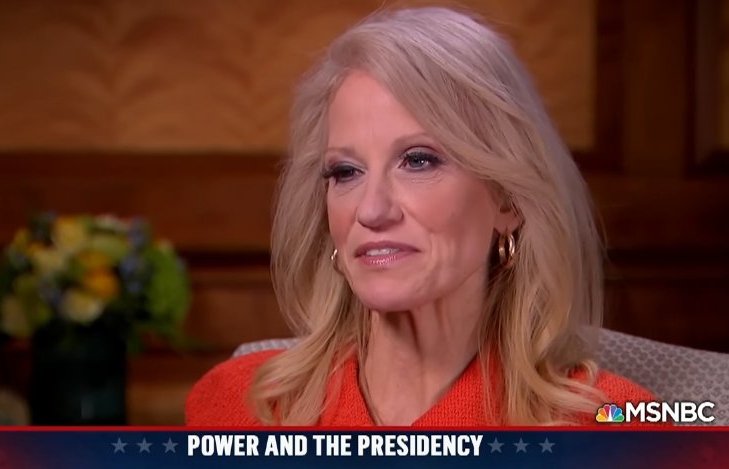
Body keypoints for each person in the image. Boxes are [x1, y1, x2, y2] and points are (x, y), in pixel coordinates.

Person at [185, 6, 657, 426]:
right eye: (345, 172)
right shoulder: (239, 405)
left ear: (507, 201)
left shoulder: (611, 426)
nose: (371, 210)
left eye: (418, 161)